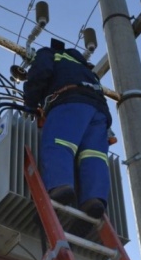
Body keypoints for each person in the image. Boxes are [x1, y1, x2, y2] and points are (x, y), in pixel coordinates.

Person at [23, 39, 112, 236]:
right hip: (99, 112)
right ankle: (93, 200)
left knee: (58, 143)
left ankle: (59, 187)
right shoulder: (84, 67)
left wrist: (30, 103)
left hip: (70, 101)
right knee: (94, 156)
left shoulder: (49, 53)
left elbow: (40, 73)